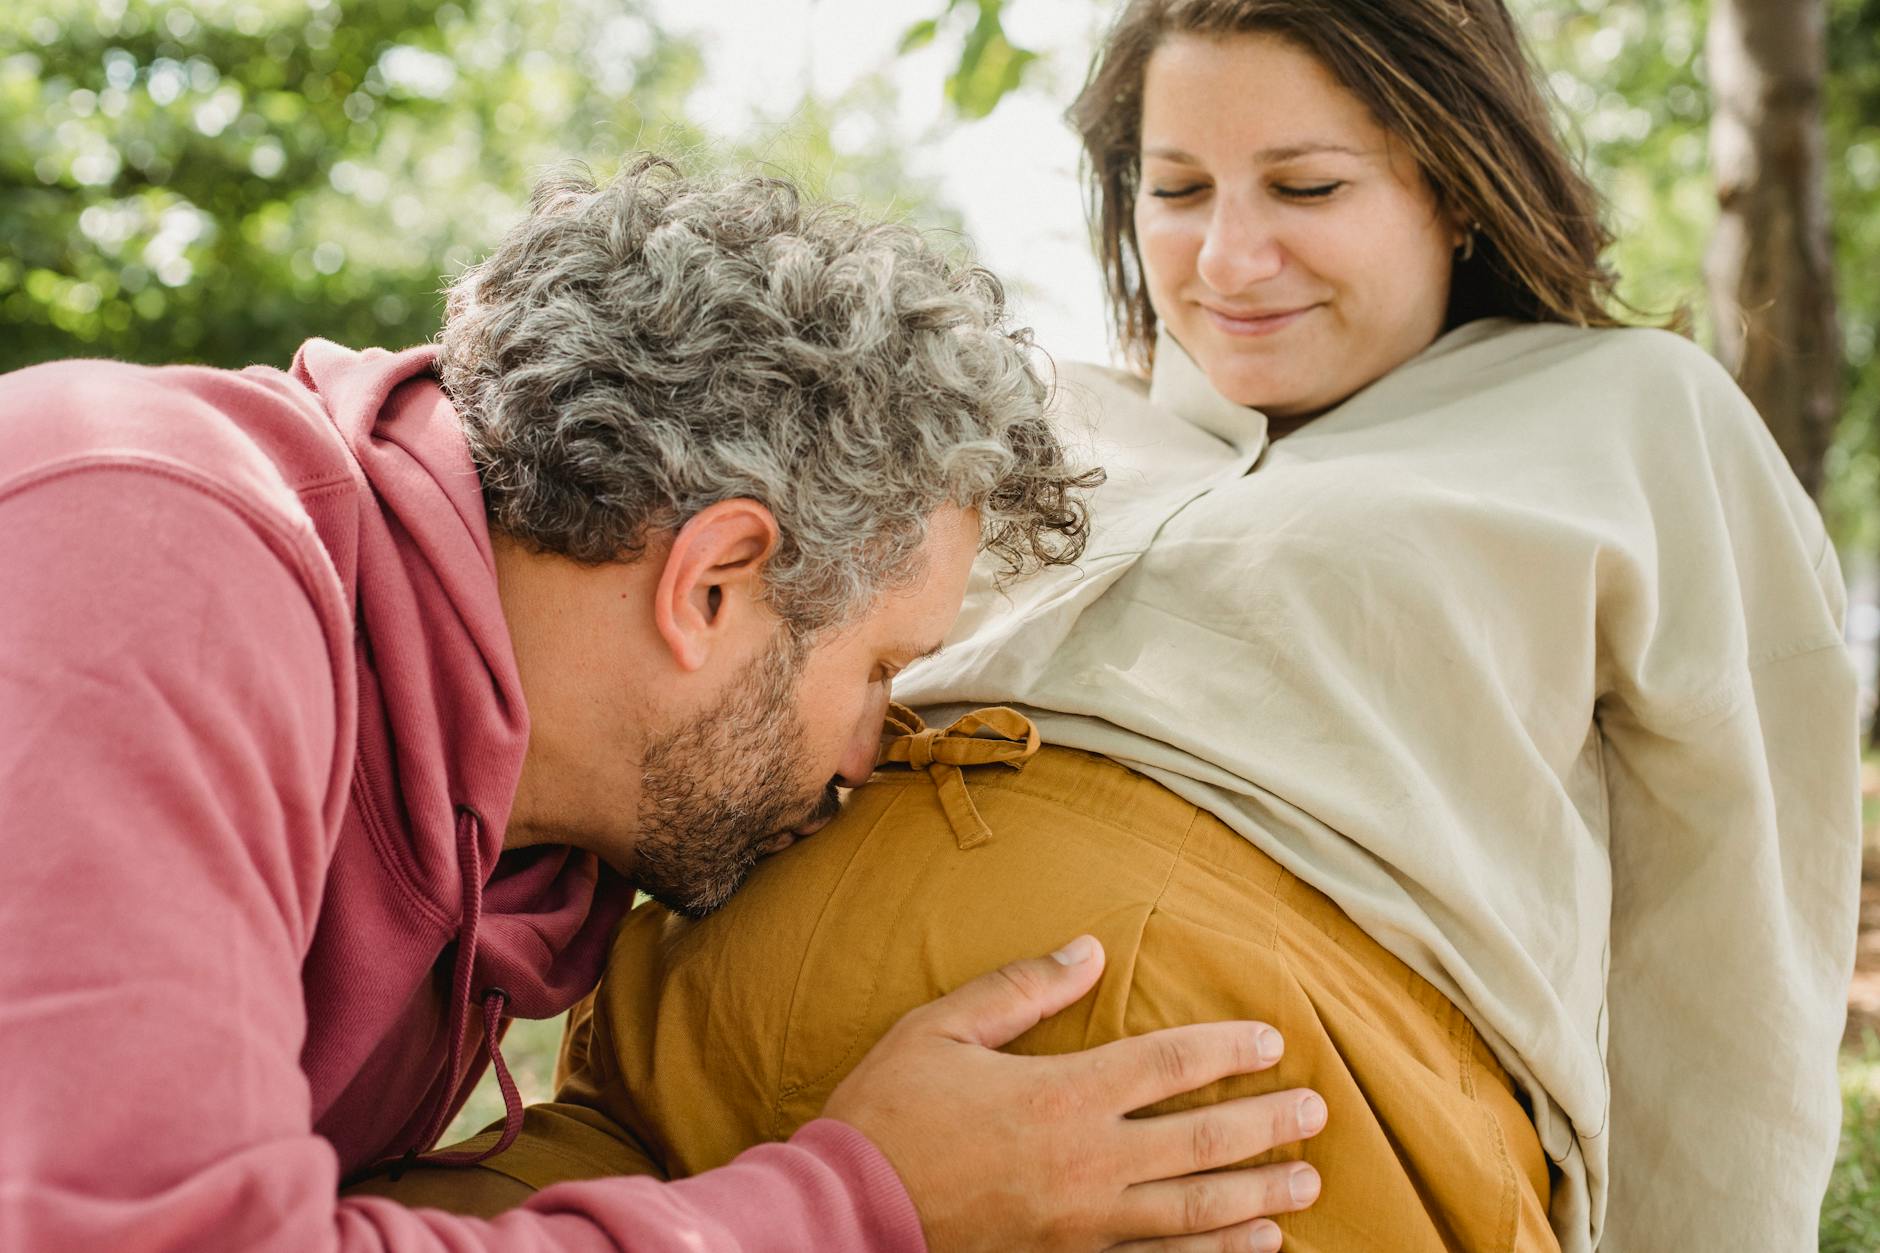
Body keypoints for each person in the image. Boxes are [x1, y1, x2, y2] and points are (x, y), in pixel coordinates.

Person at [365, 3, 1862, 1251]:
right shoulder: (1033, 418)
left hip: (1206, 1145)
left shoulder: (1622, 414)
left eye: (1307, 189)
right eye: (1179, 189)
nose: (1227, 259)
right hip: (681, 1089)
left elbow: (1733, 900)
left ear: (1451, 184)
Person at [0, 154, 1337, 1252]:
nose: (877, 749)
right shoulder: (148, 543)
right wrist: (857, 1205)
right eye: (877, 669)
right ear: (712, 582)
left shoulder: (516, 858)